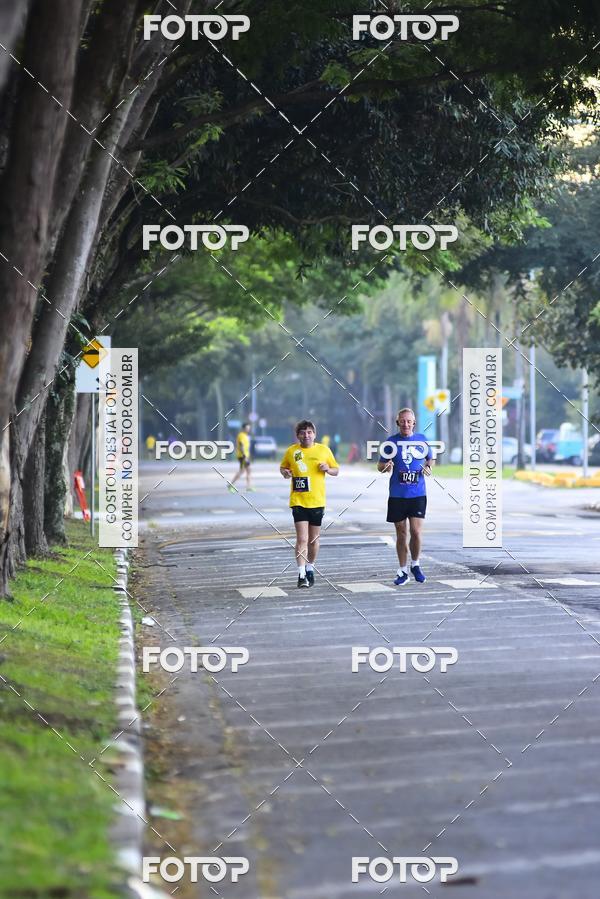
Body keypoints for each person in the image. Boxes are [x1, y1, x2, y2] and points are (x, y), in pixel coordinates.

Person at [280, 420, 339, 588]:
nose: (306, 435)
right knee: (302, 539)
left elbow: (336, 470)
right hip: (298, 501)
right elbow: (283, 468)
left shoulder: (323, 450)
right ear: (297, 435)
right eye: (302, 432)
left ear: (314, 434)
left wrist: (328, 469)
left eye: (309, 432)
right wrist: (286, 473)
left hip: (317, 501)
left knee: (313, 540)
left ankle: (310, 567)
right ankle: (301, 574)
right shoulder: (292, 451)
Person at [377, 408, 433, 585]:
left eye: (409, 421)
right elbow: (380, 466)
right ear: (397, 423)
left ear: (414, 423)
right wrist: (386, 467)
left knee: (416, 532)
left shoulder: (422, 440)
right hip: (397, 495)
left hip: (418, 494)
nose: (406, 424)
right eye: (402, 421)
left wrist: (428, 467)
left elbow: (430, 459)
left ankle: (415, 565)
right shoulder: (391, 442)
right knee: (401, 533)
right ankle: (402, 571)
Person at [229, 422, 254, 492]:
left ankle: (248, 487)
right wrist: (244, 456)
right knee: (242, 471)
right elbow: (241, 446)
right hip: (242, 456)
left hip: (245, 456)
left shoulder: (246, 436)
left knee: (248, 470)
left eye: (249, 428)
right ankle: (230, 485)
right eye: (247, 428)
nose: (248, 430)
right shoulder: (241, 435)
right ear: (243, 429)